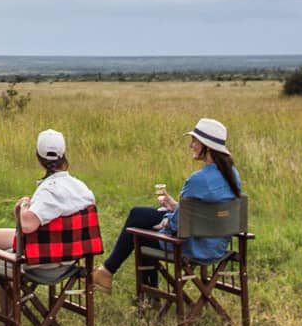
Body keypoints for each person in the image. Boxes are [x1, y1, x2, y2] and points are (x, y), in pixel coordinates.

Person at [0, 128, 95, 313]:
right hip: (72, 257)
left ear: (38, 158)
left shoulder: (49, 190)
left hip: (47, 261)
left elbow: (28, 225)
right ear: (63, 156)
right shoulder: (82, 188)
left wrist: (24, 205)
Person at [92, 117, 241, 295]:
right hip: (217, 245)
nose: (191, 145)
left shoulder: (198, 180)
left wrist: (167, 221)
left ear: (207, 146)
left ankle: (144, 294)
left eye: (194, 141)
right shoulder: (233, 174)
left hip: (193, 247)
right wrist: (175, 207)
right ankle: (107, 272)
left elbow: (178, 226)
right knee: (138, 214)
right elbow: (208, 212)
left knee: (139, 234)